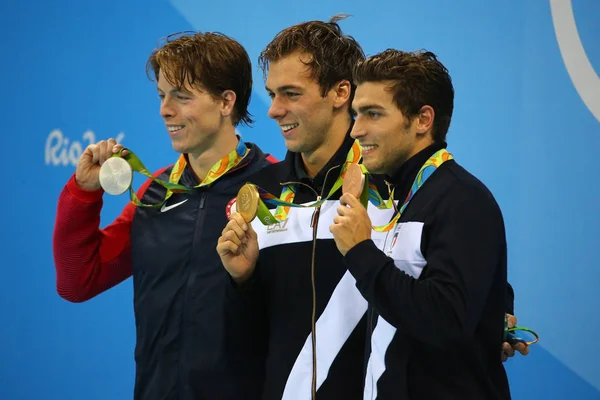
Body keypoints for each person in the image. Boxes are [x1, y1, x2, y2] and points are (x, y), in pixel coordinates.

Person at [217, 17, 525, 399]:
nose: (273, 110)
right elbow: (243, 340)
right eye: (272, 93)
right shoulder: (262, 197)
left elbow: (467, 294)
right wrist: (240, 283)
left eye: (291, 93)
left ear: (340, 92)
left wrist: (497, 322)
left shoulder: (399, 192)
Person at [52, 31, 274, 400]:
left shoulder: (274, 189)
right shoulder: (155, 193)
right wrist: (83, 193)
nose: (164, 109)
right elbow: (78, 281)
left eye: (181, 97)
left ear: (225, 102)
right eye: (161, 95)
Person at [329, 48, 512, 399]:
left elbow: (445, 320)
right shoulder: (407, 196)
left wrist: (360, 251)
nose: (355, 130)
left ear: (422, 120)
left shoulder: (462, 199)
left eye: (372, 114)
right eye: (356, 114)